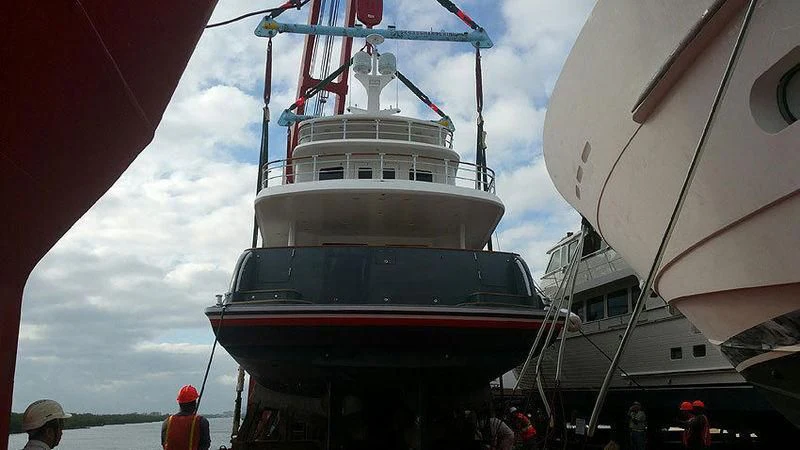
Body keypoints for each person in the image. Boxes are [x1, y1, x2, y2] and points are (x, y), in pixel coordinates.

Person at [161, 385, 211, 450]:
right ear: (194, 403)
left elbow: (163, 443)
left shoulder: (167, 422)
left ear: (179, 403)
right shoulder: (201, 421)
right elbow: (205, 445)